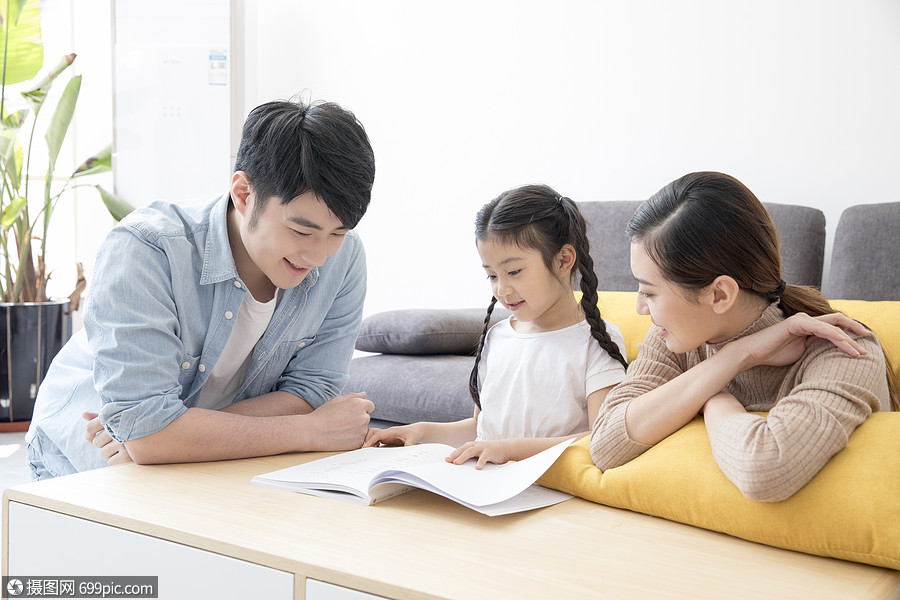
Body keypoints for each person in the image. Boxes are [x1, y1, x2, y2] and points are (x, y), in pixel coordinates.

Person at [26, 98, 377, 479]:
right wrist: (310, 431)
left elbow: (312, 393)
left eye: (338, 232)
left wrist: (172, 438)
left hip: (187, 461)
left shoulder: (344, 260)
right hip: (84, 462)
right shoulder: (146, 249)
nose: (320, 255)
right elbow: (149, 435)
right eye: (301, 231)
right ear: (244, 194)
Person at [591, 171, 898, 501]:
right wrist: (737, 357)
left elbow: (764, 470)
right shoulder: (675, 339)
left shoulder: (843, 348)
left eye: (650, 293)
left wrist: (713, 398)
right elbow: (605, 445)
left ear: (720, 295)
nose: (640, 308)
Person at [364, 184, 628, 467]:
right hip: (487, 481)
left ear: (563, 260)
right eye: (491, 275)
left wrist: (511, 450)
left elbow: (600, 439)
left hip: (551, 490)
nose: (502, 289)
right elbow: (481, 430)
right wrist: (422, 432)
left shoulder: (595, 341)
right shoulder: (498, 337)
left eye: (513, 272)